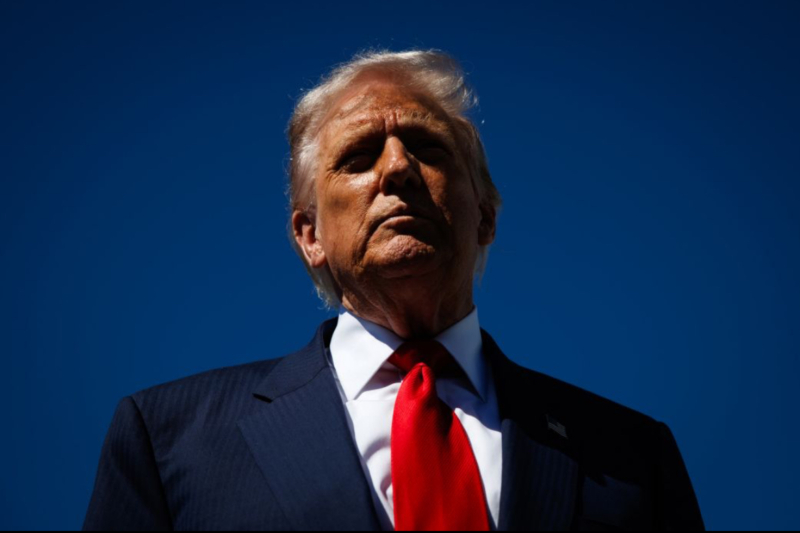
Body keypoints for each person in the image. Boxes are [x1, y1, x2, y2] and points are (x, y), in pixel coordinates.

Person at [84, 50, 704, 531]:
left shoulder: (629, 454)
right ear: (309, 235)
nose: (398, 168)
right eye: (357, 157)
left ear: (486, 214)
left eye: (428, 148)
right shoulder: (169, 439)